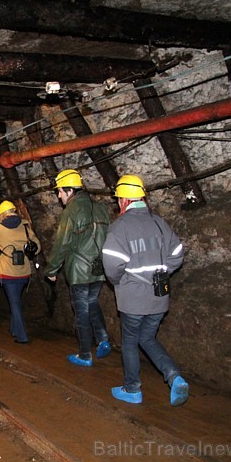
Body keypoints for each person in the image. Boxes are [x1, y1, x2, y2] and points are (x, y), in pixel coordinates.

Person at [102, 174, 188, 406]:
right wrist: (161, 272)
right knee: (147, 338)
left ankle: (132, 389)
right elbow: (178, 253)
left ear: (123, 201)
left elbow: (111, 266)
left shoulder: (120, 227)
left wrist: (120, 280)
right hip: (159, 296)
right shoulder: (158, 222)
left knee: (130, 341)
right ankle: (174, 376)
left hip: (133, 298)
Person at [45, 169, 112, 368]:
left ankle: (84, 354)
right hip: (99, 267)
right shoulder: (101, 208)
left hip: (80, 269)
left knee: (81, 310)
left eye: (60, 191)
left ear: (69, 190)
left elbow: (62, 243)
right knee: (92, 302)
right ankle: (103, 338)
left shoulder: (71, 210)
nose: (58, 196)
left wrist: (51, 269)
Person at [0, 200, 40, 343]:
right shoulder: (25, 226)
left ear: (2, 214)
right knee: (16, 301)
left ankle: (22, 336)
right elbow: (37, 247)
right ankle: (14, 329)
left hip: (8, 271)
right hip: (24, 271)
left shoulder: (0, 228)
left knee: (14, 303)